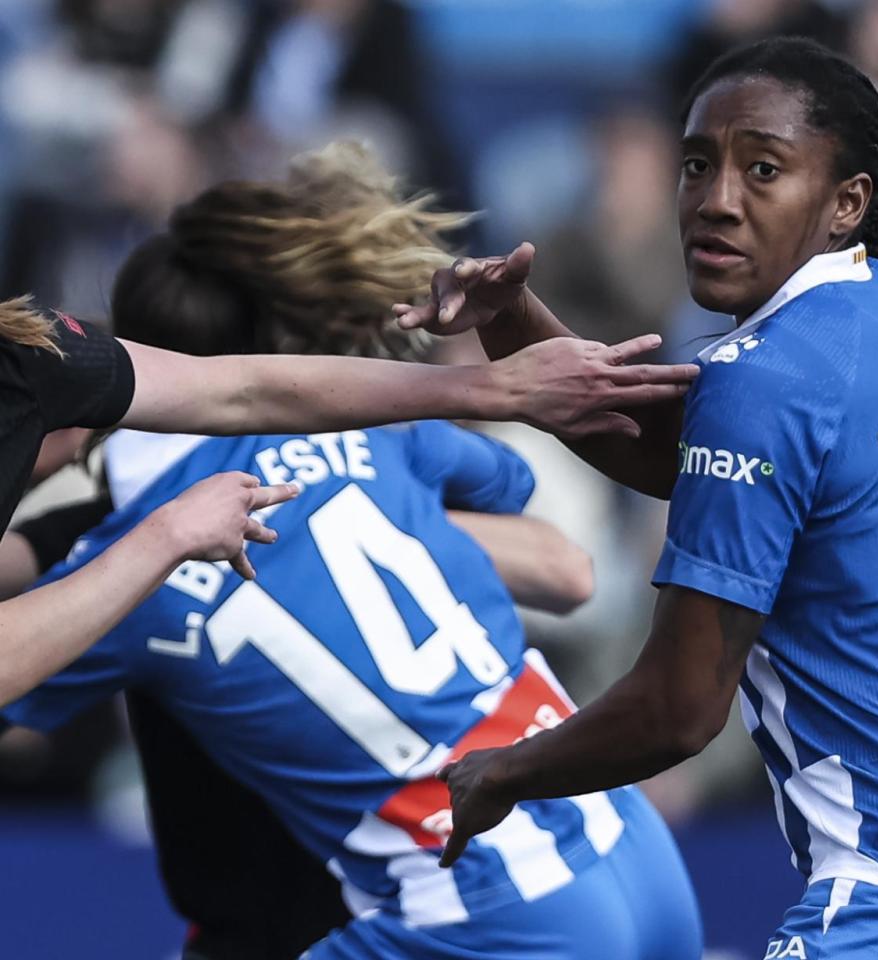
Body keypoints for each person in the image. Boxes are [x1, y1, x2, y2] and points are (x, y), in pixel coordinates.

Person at [402, 37, 878, 959]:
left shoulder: (762, 383)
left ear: (849, 201)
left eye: (764, 169)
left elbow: (679, 709)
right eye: (696, 164)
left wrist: (507, 771)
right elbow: (707, 472)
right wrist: (517, 330)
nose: (717, 200)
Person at [0, 143, 703, 960]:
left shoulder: (120, 560)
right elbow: (559, 557)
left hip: (471, 900)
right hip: (630, 842)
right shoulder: (377, 438)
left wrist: (168, 545)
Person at [0, 276, 693, 707]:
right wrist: (168, 536)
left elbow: (241, 390)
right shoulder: (129, 522)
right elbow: (565, 568)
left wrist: (498, 387)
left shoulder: (30, 362)